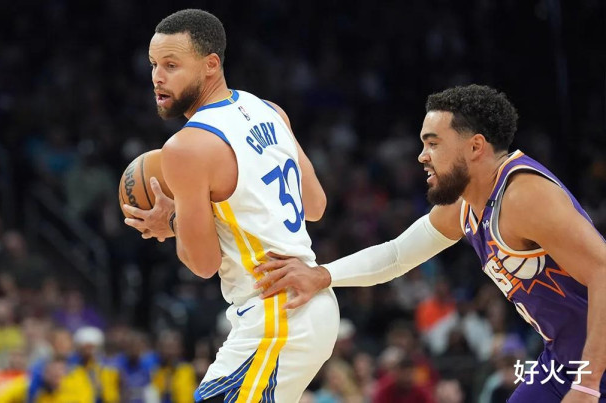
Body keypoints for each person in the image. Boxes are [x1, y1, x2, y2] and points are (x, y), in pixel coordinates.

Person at [253, 85, 606, 402]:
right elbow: (396, 255)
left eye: (433, 143)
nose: (422, 155)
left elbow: (603, 271)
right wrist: (322, 275)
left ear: (475, 146)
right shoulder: (465, 206)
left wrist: (588, 384)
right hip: (563, 360)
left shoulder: (524, 195)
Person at [123, 9, 340, 402]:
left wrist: (172, 219)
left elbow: (203, 264)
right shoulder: (270, 110)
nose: (157, 77)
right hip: (308, 305)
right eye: (153, 64)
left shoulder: (186, 147)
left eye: (171, 65)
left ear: (211, 65)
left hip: (276, 314)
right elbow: (315, 205)